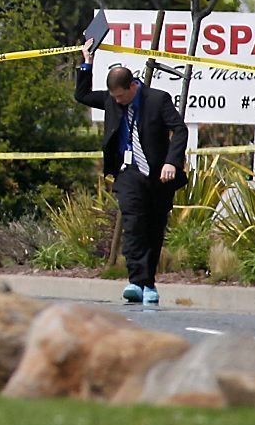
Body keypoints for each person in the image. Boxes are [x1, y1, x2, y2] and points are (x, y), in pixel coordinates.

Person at [75, 38, 188, 305]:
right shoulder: (113, 102)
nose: (118, 101)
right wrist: (86, 63)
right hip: (128, 172)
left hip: (158, 174)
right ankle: (135, 281)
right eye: (114, 97)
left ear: (133, 86)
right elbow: (81, 96)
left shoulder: (157, 100)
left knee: (153, 228)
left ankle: (148, 283)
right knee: (133, 223)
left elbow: (179, 129)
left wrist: (172, 161)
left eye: (121, 96)